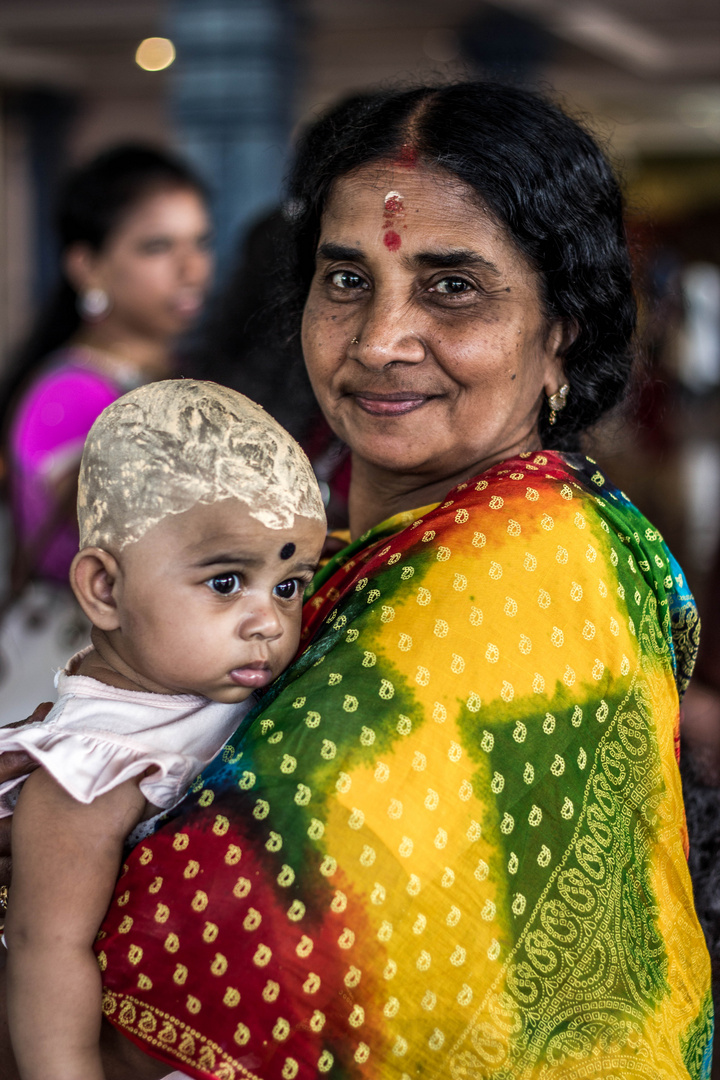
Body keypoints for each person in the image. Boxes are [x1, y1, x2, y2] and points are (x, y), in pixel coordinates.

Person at [0, 81, 714, 1079]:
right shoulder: (348, 557)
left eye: (451, 286)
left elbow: (225, 929)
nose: (379, 340)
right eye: (346, 281)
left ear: (565, 329)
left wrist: (52, 846)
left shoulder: (519, 569)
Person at [0, 379, 326, 1080]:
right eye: (225, 582)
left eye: (290, 584)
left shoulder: (204, 681)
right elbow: (45, 950)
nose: (269, 621)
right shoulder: (94, 765)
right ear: (106, 590)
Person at [0, 144, 213, 722]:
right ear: (87, 267)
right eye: (157, 247)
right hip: (93, 678)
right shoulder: (71, 397)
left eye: (200, 242)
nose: (192, 269)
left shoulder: (174, 374)